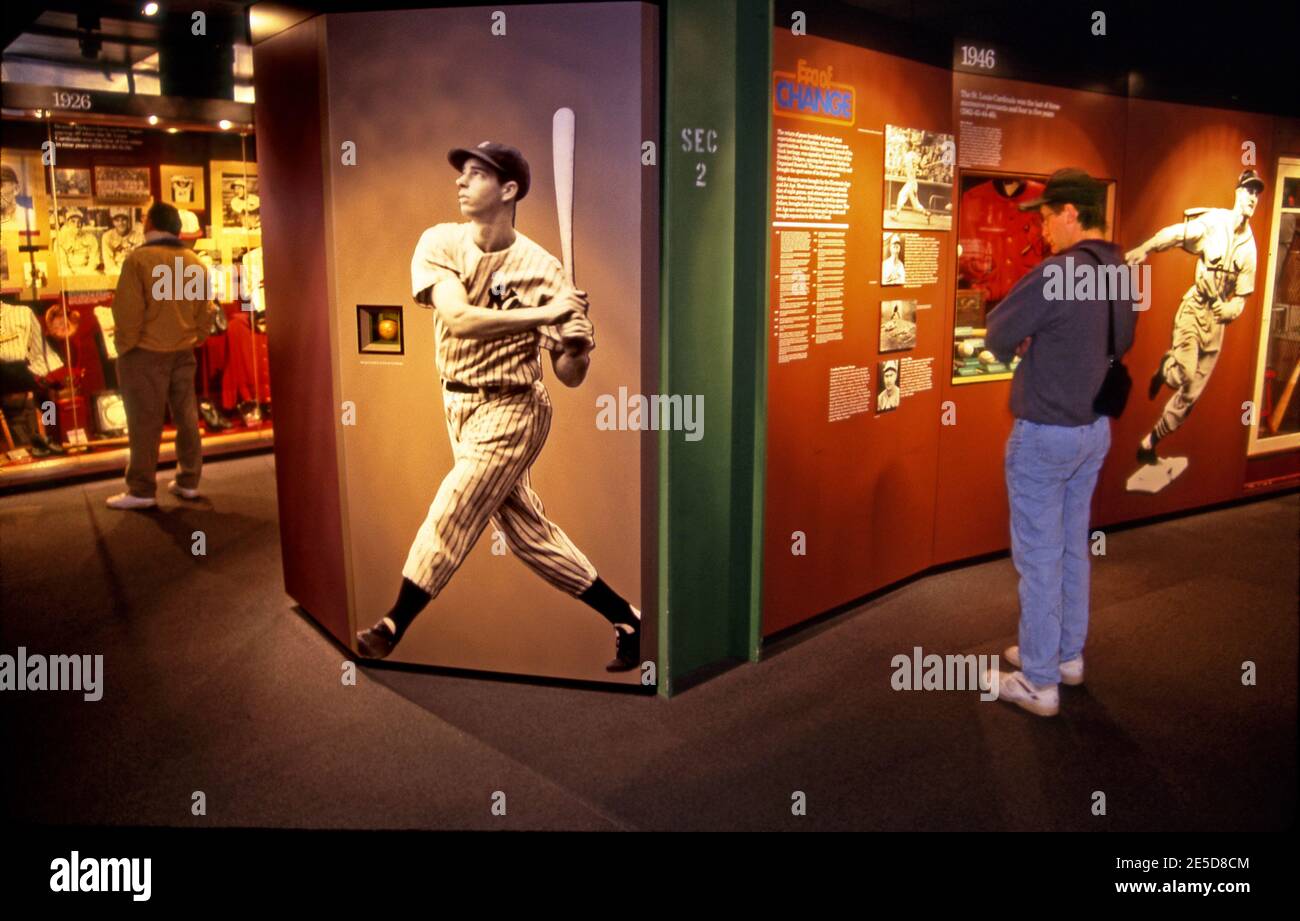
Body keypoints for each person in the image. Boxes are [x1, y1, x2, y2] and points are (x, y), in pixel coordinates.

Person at [354, 140, 644, 672]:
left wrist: (577, 344)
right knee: (528, 536)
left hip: (515, 407)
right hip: (458, 405)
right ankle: (629, 619)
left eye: (476, 174)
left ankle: (395, 621)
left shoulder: (544, 270)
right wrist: (543, 317)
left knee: (457, 501)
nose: (461, 182)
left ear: (508, 190)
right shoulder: (439, 242)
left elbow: (570, 378)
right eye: (462, 173)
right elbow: (459, 317)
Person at [981, 168, 1136, 717]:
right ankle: (1066, 656)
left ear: (1071, 213)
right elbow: (1122, 339)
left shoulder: (1058, 272)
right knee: (1072, 547)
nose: (1043, 229)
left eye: (1047, 217)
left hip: (1045, 434)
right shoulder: (1117, 267)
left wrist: (1025, 346)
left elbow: (995, 331)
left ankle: (1039, 681)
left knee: (1039, 557)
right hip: (1093, 432)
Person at [1126, 169, 1262, 466]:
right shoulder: (1215, 223)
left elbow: (1241, 297)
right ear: (1238, 192)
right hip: (1195, 309)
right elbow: (1177, 234)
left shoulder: (1250, 249)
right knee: (1184, 374)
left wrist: (1231, 310)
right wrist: (1145, 248)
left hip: (1217, 323)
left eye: (1256, 193)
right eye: (1248, 190)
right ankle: (1167, 368)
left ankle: (1150, 443)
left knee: (1190, 396)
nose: (1252, 197)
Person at [105, 202, 216, 510]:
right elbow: (205, 312)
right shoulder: (194, 262)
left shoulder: (139, 260)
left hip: (144, 353)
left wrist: (125, 348)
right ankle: (189, 480)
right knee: (187, 416)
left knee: (144, 421)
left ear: (149, 224)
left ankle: (141, 489)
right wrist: (194, 338)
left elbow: (128, 313)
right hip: (183, 351)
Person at [55, 208, 100, 275]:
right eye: (73, 221)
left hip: (86, 270)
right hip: (67, 271)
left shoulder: (91, 238)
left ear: (82, 224)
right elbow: (62, 264)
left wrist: (86, 272)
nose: (76, 225)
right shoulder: (60, 239)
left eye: (79, 222)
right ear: (67, 223)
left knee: (96, 275)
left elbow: (94, 261)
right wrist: (70, 274)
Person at [101, 208, 144, 274]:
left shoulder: (138, 237)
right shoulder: (107, 236)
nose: (120, 223)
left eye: (124, 220)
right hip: (113, 272)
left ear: (128, 220)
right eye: (117, 220)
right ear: (113, 222)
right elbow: (108, 263)